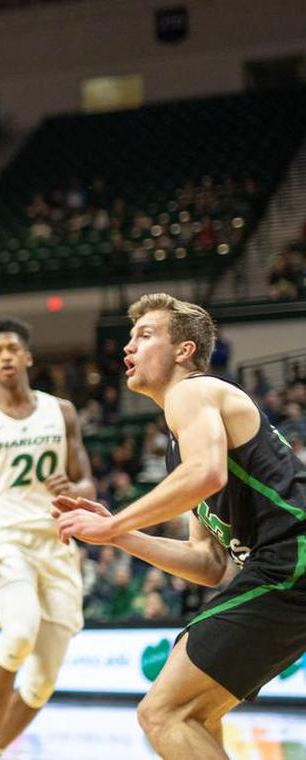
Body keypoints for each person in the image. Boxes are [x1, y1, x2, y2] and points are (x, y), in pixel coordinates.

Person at [54, 293, 306, 759]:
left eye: (144, 335)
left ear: (184, 350)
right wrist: (124, 534)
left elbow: (207, 474)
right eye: (129, 338)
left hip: (292, 558)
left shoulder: (193, 391)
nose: (128, 348)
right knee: (195, 715)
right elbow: (209, 563)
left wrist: (113, 528)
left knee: (162, 712)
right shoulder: (180, 442)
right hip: (280, 569)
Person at [0, 317, 95, 760]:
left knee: (43, 681)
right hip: (4, 539)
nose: (6, 355)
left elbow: (88, 484)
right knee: (19, 632)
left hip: (58, 543)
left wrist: (76, 492)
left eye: (13, 348)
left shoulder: (61, 411)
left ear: (27, 357)